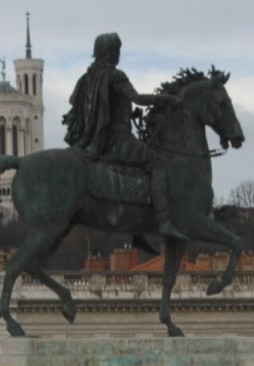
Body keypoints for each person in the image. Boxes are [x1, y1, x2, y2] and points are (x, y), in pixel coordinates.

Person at [63, 32, 187, 240]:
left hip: (94, 140)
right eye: (117, 51)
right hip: (117, 140)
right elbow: (137, 97)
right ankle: (164, 222)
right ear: (112, 53)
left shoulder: (86, 79)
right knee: (156, 164)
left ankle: (137, 230)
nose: (119, 55)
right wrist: (164, 98)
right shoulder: (114, 75)